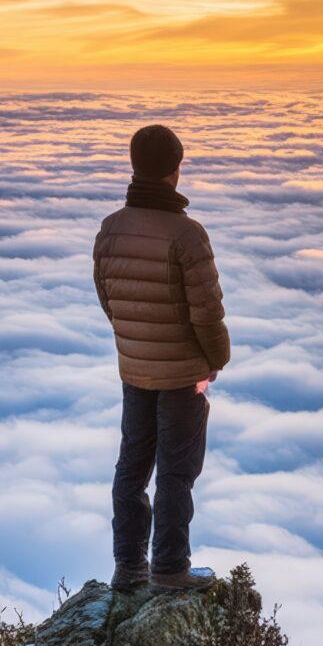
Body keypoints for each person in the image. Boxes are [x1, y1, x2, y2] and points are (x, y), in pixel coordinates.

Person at [92, 124, 232, 592]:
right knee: (176, 471)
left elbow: (108, 298)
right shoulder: (187, 236)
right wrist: (216, 361)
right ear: (177, 169)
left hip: (134, 369)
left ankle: (128, 567)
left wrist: (135, 343)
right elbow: (207, 313)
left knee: (131, 467)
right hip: (181, 376)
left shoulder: (110, 229)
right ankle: (170, 569)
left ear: (135, 166)